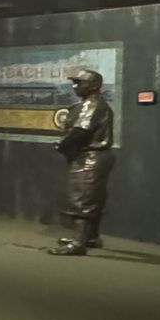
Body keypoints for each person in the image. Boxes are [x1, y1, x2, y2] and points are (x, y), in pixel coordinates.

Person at [48, 67, 115, 256]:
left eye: (79, 83)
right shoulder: (93, 103)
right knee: (93, 198)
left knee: (82, 199)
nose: (75, 86)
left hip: (89, 157)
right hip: (95, 157)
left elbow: (80, 131)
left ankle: (78, 242)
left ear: (94, 85)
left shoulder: (92, 104)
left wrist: (62, 144)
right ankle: (90, 237)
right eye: (74, 83)